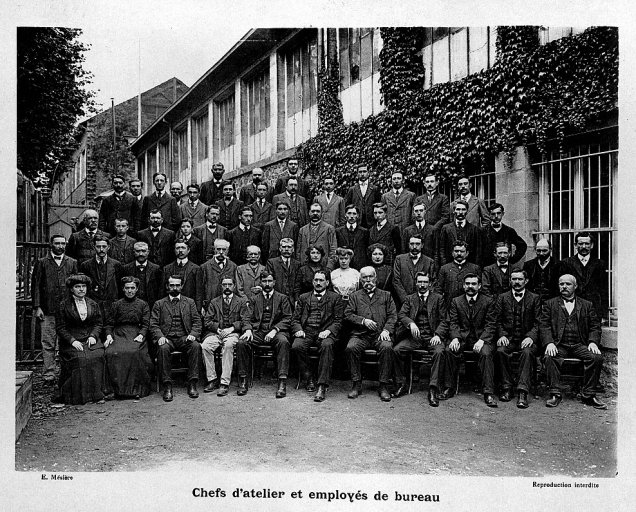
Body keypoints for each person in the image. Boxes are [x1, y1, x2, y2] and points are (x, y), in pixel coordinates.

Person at [540, 274, 606, 410]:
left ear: (575, 286)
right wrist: (549, 343)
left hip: (579, 344)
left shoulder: (587, 305)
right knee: (549, 357)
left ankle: (588, 394)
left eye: (568, 284)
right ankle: (555, 394)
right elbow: (544, 325)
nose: (564, 287)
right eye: (561, 284)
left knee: (596, 357)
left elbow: (595, 326)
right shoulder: (550, 304)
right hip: (559, 344)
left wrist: (593, 342)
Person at [443, 273, 498, 407]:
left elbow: (491, 324)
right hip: (462, 337)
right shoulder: (456, 301)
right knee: (449, 349)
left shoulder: (488, 301)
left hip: (481, 338)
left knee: (486, 353)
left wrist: (482, 340)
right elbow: (453, 323)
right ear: (463, 285)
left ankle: (488, 392)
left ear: (479, 286)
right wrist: (455, 337)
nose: (470, 287)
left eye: (473, 284)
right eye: (467, 284)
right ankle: (449, 387)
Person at [236, 270, 293, 398]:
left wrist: (275, 330)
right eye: (264, 281)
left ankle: (282, 381)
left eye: (269, 281)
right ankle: (243, 380)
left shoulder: (282, 298)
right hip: (258, 331)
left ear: (274, 282)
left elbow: (288, 318)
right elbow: (246, 317)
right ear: (260, 283)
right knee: (241, 343)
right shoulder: (254, 299)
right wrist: (248, 329)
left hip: (276, 332)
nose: (267, 284)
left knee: (283, 343)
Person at [393, 273, 447, 406]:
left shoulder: (438, 299)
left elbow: (445, 320)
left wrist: (438, 335)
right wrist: (410, 323)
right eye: (420, 282)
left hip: (432, 336)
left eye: (425, 282)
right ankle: (402, 383)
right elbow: (402, 314)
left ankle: (433, 388)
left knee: (440, 352)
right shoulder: (410, 298)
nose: (422, 285)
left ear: (430, 284)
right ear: (416, 283)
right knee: (396, 350)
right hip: (415, 338)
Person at [344, 266, 398, 401]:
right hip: (360, 334)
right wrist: (363, 321)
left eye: (371, 277)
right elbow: (347, 314)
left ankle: (383, 385)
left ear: (376, 278)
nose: (368, 280)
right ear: (360, 280)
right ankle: (356, 384)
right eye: (365, 277)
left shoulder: (386, 295)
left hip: (380, 334)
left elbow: (393, 316)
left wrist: (386, 330)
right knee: (351, 348)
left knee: (387, 347)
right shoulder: (354, 296)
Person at [31, 234, 79, 383]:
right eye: (57, 243)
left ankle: (67, 374)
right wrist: (37, 307)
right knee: (48, 343)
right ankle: (49, 374)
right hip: (48, 310)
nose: (60, 246)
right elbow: (36, 286)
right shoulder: (42, 262)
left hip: (67, 311)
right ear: (51, 245)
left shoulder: (72, 262)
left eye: (63, 244)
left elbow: (76, 286)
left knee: (67, 342)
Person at [291, 270, 344, 402]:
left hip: (325, 332)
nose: (318, 283)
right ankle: (308, 376)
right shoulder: (304, 297)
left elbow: (339, 320)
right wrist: (298, 329)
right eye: (316, 280)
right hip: (307, 331)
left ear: (327, 282)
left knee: (327, 346)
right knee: (297, 346)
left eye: (321, 280)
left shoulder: (335, 298)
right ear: (313, 281)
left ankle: (322, 385)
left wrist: (329, 331)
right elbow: (295, 319)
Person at [492, 269, 541, 408]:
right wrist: (501, 334)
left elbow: (539, 322)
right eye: (514, 279)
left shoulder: (534, 298)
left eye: (520, 279)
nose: (517, 282)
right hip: (509, 338)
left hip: (527, 339)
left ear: (526, 281)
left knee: (527, 352)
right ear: (510, 281)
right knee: (501, 351)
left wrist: (531, 336)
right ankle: (507, 387)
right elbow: (497, 320)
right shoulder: (502, 297)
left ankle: (522, 391)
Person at [55, 274, 106, 405]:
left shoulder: (93, 304)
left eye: (83, 286)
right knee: (81, 358)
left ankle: (97, 394)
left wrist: (93, 336)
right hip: (72, 341)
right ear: (71, 289)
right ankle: (80, 396)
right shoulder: (63, 305)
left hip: (89, 338)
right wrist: (72, 341)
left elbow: (98, 323)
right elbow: (60, 327)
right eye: (77, 287)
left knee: (97, 355)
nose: (81, 289)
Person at [150, 275, 203, 402]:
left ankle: (192, 383)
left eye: (177, 285)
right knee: (163, 348)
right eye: (172, 285)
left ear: (182, 286)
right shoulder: (159, 304)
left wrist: (193, 334)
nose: (175, 288)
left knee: (195, 346)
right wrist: (160, 336)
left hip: (184, 337)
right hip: (167, 338)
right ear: (167, 286)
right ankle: (167, 386)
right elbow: (153, 324)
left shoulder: (189, 302)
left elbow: (197, 321)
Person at [201, 277, 252, 396]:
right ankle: (212, 379)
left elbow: (245, 320)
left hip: (233, 333)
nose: (227, 287)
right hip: (216, 333)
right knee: (205, 346)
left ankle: (224, 382)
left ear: (234, 286)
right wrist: (218, 329)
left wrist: (232, 328)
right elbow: (207, 321)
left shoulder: (241, 301)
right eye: (225, 284)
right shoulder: (214, 302)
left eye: (230, 284)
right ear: (221, 286)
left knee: (228, 346)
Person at [104, 276, 152, 399]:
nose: (130, 291)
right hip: (119, 333)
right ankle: (117, 390)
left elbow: (146, 324)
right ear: (123, 289)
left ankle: (136, 390)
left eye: (132, 288)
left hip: (136, 334)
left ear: (136, 289)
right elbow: (109, 324)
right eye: (127, 288)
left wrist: (141, 335)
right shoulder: (116, 305)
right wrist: (109, 336)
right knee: (111, 352)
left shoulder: (143, 304)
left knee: (134, 352)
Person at [558, 232, 609, 321]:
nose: (584, 246)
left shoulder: (600, 264)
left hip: (594, 308)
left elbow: (604, 289)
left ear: (592, 245)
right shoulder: (566, 263)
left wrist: (604, 314)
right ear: (575, 245)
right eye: (581, 244)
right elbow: (562, 288)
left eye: (587, 244)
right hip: (573, 307)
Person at [79, 236, 122, 320]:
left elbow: (120, 287)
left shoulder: (116, 265)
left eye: (104, 247)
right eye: (98, 247)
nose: (101, 249)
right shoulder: (86, 265)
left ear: (108, 247)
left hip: (111, 304)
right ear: (94, 247)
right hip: (93, 304)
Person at [435, 240, 481, 311]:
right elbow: (439, 289)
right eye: (456, 251)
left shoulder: (475, 268)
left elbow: (480, 290)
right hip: (449, 307)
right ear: (452, 253)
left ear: (467, 253)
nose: (459, 253)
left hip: (470, 307)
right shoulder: (445, 268)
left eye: (462, 251)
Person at [393, 235, 437, 308]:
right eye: (412, 244)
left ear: (422, 245)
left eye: (417, 244)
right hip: (403, 303)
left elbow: (432, 281)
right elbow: (396, 280)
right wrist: (405, 300)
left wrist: (424, 299)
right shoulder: (399, 259)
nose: (414, 247)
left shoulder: (429, 261)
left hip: (423, 303)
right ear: (408, 245)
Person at [119, 242, 162, 311]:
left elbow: (160, 290)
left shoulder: (156, 269)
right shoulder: (126, 268)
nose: (141, 254)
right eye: (138, 251)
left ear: (148, 252)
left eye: (143, 251)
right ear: (133, 252)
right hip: (131, 306)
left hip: (150, 306)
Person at [438, 200, 484, 266]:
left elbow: (478, 252)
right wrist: (445, 265)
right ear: (454, 211)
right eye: (458, 209)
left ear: (467, 211)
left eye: (463, 209)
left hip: (469, 266)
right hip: (450, 266)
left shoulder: (474, 229)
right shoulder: (446, 228)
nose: (460, 212)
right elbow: (442, 249)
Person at [162, 239, 203, 311]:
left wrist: (198, 310)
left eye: (183, 248)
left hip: (189, 308)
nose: (180, 251)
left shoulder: (196, 269)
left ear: (188, 250)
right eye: (177, 248)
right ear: (174, 250)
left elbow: (198, 292)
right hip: (170, 307)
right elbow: (162, 291)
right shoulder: (167, 269)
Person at [482, 202, 527, 266]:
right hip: (487, 267)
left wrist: (512, 260)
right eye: (493, 214)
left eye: (499, 213)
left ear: (503, 214)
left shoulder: (509, 231)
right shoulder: (482, 231)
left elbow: (522, 246)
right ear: (489, 215)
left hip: (505, 266)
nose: (496, 216)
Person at [296, 202, 337, 268]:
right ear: (309, 213)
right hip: (305, 267)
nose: (315, 213)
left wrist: (329, 267)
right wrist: (299, 266)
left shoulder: (329, 228)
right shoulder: (302, 230)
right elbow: (298, 251)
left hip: (323, 266)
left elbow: (333, 249)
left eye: (318, 211)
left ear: (322, 213)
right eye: (313, 211)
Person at [201, 238, 238, 310]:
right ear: (214, 250)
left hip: (228, 305)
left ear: (227, 251)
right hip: (210, 304)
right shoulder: (205, 267)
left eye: (224, 250)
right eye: (218, 249)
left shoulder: (233, 266)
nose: (221, 252)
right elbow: (201, 288)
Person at [344, 164, 382, 229]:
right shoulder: (352, 189)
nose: (362, 174)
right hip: (357, 222)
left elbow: (379, 205)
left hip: (372, 223)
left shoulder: (375, 189)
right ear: (357, 174)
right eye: (360, 172)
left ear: (368, 173)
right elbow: (347, 206)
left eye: (364, 171)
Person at [267, 238, 301, 304]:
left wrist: (296, 300)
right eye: (284, 247)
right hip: (276, 300)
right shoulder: (272, 263)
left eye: (289, 247)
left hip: (292, 301)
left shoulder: (297, 264)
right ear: (280, 249)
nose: (286, 249)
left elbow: (298, 285)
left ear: (293, 249)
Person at [335, 204, 369, 270]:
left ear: (358, 216)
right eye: (349, 213)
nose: (351, 216)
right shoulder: (338, 231)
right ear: (345, 215)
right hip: (343, 264)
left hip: (359, 265)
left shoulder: (364, 231)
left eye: (354, 214)